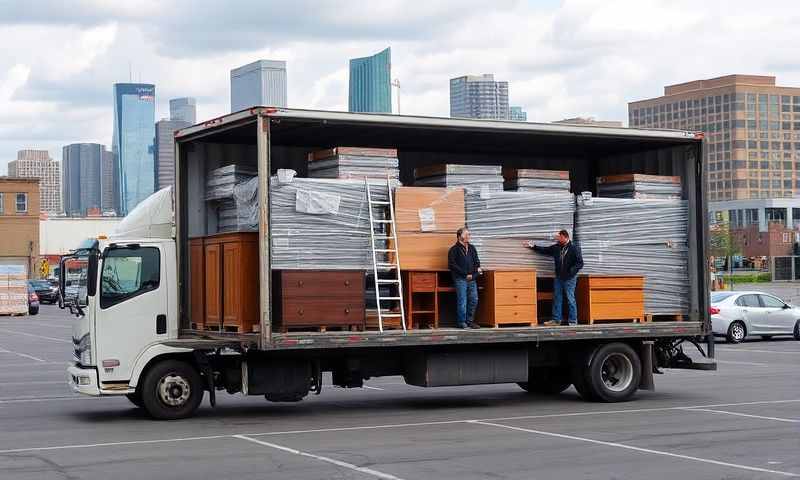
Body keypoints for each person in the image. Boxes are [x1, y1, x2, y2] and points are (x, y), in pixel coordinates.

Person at [525, 230, 583, 326]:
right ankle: (556, 320)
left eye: (559, 237)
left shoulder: (574, 248)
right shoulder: (557, 247)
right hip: (559, 277)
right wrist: (533, 246)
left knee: (570, 298)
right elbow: (545, 250)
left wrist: (572, 271)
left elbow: (580, 263)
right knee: (557, 298)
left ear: (565, 237)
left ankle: (573, 321)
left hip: (570, 278)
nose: (557, 239)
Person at [448, 227, 482, 329]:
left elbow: (477, 262)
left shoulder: (472, 248)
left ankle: (470, 321)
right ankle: (461, 322)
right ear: (459, 236)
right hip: (460, 279)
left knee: (474, 300)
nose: (468, 236)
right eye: (466, 234)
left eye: (469, 234)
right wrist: (465, 274)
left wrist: (473, 275)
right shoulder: (453, 250)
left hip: (472, 279)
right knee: (462, 300)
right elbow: (452, 265)